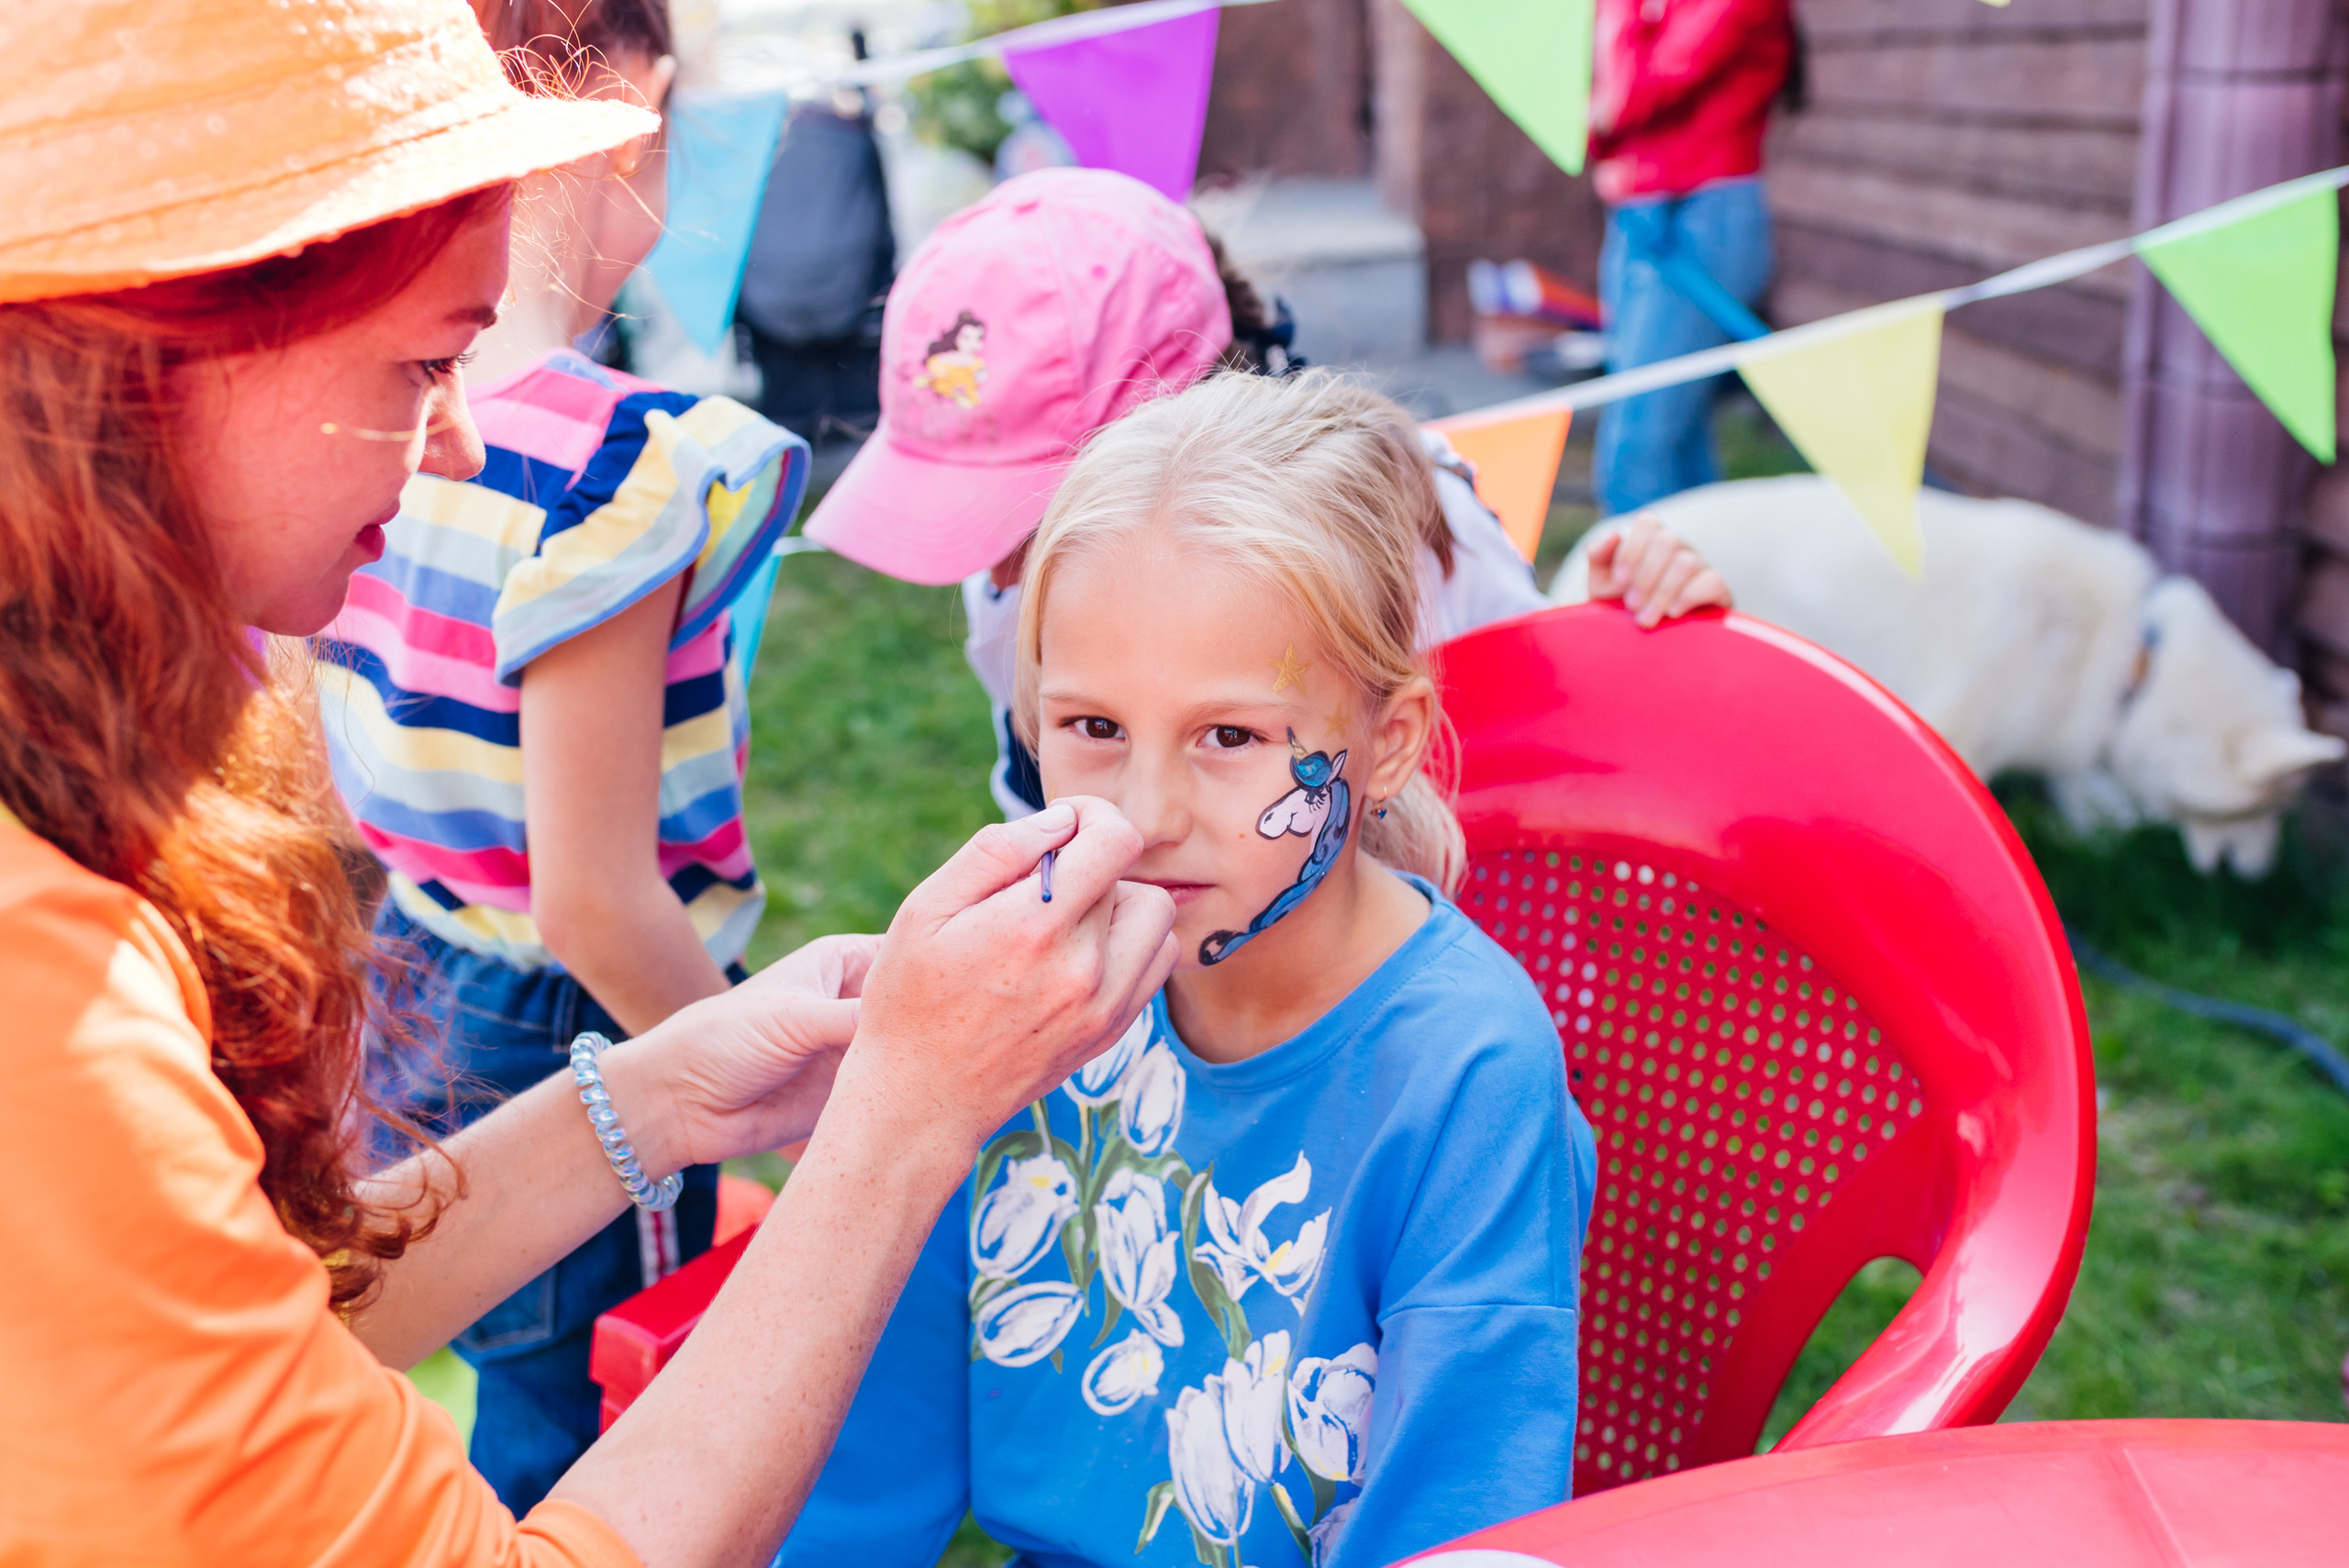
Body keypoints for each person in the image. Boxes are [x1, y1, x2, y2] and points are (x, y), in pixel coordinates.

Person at [2, 4, 1175, 1565]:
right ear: (183, 343)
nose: (464, 443)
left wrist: (662, 1088)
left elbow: (259, 1321)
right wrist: (909, 1112)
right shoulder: (47, 997)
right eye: (424, 359)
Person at [776, 371, 1597, 1568]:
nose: (1147, 814)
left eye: (1231, 738)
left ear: (1390, 741)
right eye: (1094, 728)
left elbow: (1454, 1521)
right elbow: (864, 1481)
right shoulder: (1012, 994)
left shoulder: (1467, 1070)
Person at [311, 0, 797, 1511]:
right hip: (585, 1023)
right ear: (635, 115)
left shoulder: (353, 402)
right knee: (602, 1411)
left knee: (509, 1373)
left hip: (417, 965)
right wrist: (759, 1084)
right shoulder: (615, 463)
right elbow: (595, 900)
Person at [803, 168, 1731, 822]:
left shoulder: (1397, 533)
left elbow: (1568, 752)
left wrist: (1626, 628)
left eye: (1019, 511)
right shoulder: (1013, 579)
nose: (993, 564)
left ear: (1179, 439)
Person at [1588, 0, 1796, 517]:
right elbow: (1594, 131)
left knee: (1636, 449)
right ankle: (1707, 585)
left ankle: (1643, 592)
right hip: (1636, 216)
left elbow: (1632, 96)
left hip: (1703, 216)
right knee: (1678, 440)